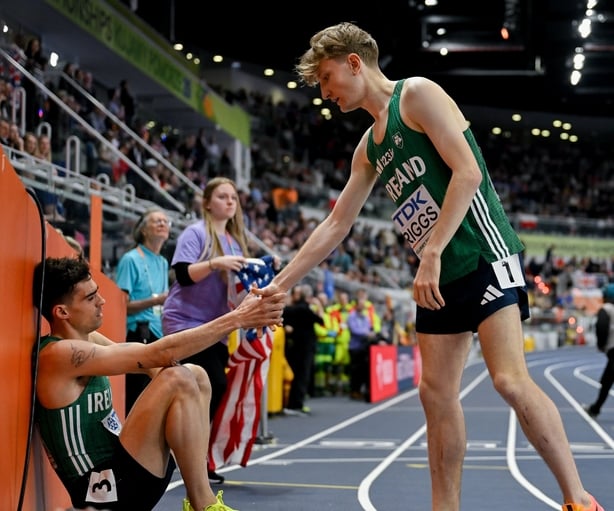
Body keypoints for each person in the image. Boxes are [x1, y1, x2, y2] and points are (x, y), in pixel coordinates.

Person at [254, 22, 603, 511]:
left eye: (328, 78)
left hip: (483, 254)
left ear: (355, 63)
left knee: (507, 379)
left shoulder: (416, 95)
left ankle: (578, 498)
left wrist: (433, 251)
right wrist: (280, 284)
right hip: (438, 275)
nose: (325, 92)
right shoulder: (369, 148)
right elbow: (336, 224)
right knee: (435, 394)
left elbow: (468, 172)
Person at [32, 256, 285, 510]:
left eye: (97, 293)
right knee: (178, 378)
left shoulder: (88, 339)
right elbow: (155, 354)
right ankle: (204, 504)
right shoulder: (58, 355)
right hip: (100, 490)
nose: (102, 301)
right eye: (90, 298)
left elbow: (155, 364)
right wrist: (237, 318)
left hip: (125, 471)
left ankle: (202, 498)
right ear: (62, 312)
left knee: (195, 374)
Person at [162, 177, 250, 485]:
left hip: (217, 327)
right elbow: (183, 275)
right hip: (186, 321)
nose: (229, 202)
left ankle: (196, 458)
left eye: (233, 198)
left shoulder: (235, 243)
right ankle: (192, 459)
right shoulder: (196, 233)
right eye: (223, 196)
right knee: (210, 385)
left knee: (212, 391)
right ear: (208, 203)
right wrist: (215, 263)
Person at [114, 207, 171, 415]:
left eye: (166, 221)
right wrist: (157, 300)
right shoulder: (131, 259)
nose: (163, 224)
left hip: (158, 334)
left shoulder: (163, 262)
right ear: (144, 230)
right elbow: (122, 307)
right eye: (157, 221)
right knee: (138, 398)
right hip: (138, 334)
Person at [282, 284, 324, 414]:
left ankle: (293, 403)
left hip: (295, 346)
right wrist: (320, 306)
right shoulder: (304, 310)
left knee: (297, 375)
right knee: (301, 376)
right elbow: (321, 320)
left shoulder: (293, 309)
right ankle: (296, 404)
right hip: (304, 348)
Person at [584, 283, 614, 419]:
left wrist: (601, 344)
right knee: (607, 380)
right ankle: (595, 408)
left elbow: (601, 326)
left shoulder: (607, 309)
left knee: (607, 381)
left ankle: (595, 409)